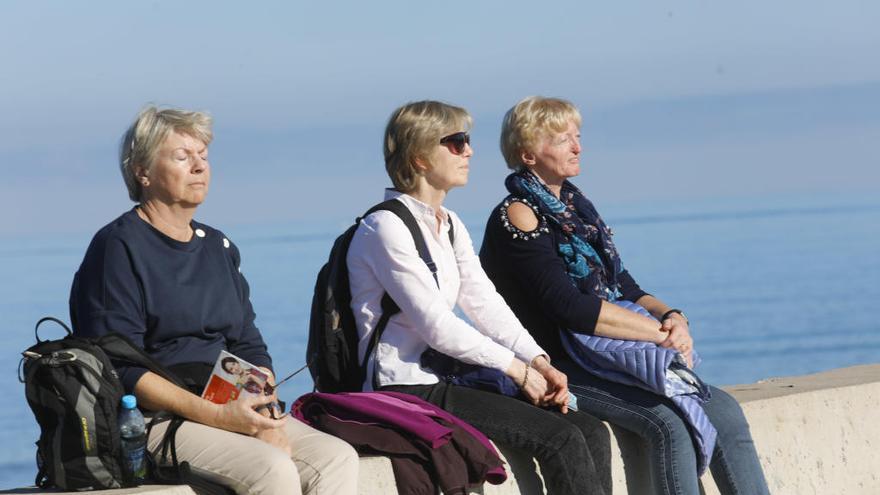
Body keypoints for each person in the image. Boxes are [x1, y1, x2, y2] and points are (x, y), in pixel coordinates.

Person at [479, 96, 770, 495]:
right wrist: (657, 334)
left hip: (604, 355)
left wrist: (673, 316)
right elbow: (569, 308)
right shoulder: (517, 214)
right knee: (668, 425)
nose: (577, 147)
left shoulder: (576, 210)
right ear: (528, 153)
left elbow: (625, 287)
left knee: (725, 412)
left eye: (576, 136)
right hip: (557, 364)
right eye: (562, 139)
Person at [69, 106, 359, 495]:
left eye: (203, 156)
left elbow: (247, 342)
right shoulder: (117, 249)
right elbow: (120, 369)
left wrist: (265, 411)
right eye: (181, 156)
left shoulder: (218, 247)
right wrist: (223, 418)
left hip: (232, 405)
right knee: (272, 469)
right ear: (143, 172)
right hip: (158, 419)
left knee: (337, 457)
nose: (199, 167)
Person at [346, 100, 611, 494]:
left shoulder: (449, 224)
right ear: (419, 157)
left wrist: (537, 361)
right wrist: (516, 370)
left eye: (466, 141)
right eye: (456, 142)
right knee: (560, 438)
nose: (469, 151)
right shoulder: (384, 228)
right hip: (406, 385)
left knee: (589, 428)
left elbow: (485, 303)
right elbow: (437, 326)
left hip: (446, 374)